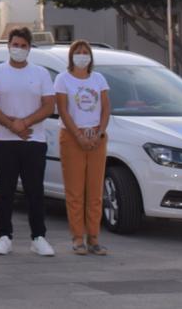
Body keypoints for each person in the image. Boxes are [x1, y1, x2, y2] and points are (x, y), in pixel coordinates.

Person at [0, 27, 56, 256]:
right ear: (8, 46)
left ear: (29, 48)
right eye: (15, 45)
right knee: (5, 190)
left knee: (34, 190)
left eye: (23, 46)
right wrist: (11, 125)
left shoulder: (41, 73)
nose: (19, 49)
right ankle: (4, 236)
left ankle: (38, 237)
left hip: (34, 140)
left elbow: (48, 105)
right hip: (2, 140)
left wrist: (24, 123)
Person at [55, 40, 111, 256]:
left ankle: (94, 237)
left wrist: (98, 133)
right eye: (77, 52)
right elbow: (63, 110)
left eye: (85, 52)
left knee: (95, 191)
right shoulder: (63, 79)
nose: (81, 55)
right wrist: (78, 135)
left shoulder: (99, 78)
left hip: (96, 138)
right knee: (75, 191)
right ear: (71, 56)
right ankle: (78, 238)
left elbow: (106, 108)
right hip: (72, 138)